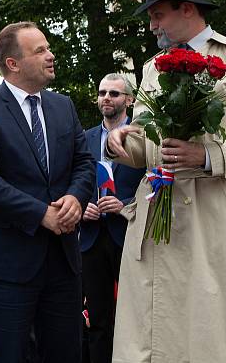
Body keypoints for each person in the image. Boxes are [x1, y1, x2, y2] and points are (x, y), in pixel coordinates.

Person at [106, 0, 226, 362]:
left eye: (157, 15)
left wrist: (208, 156)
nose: (152, 25)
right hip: (155, 213)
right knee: (149, 333)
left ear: (186, 9)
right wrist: (120, 142)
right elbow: (151, 147)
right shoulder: (153, 67)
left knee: (209, 331)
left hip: (210, 217)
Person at [0, 21, 95, 362]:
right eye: (41, 51)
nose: (51, 56)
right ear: (13, 63)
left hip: (62, 260)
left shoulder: (63, 106)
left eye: (48, 48)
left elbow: (84, 163)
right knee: (8, 354)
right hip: (8, 262)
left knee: (65, 353)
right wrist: (41, 214)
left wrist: (76, 199)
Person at [80, 73, 144, 363]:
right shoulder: (84, 139)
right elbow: (74, 181)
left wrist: (125, 205)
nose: (107, 97)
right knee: (98, 319)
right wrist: (82, 207)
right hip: (92, 238)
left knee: (136, 316)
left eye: (115, 94)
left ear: (129, 100)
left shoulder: (143, 137)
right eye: (103, 92)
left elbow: (156, 182)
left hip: (130, 233)